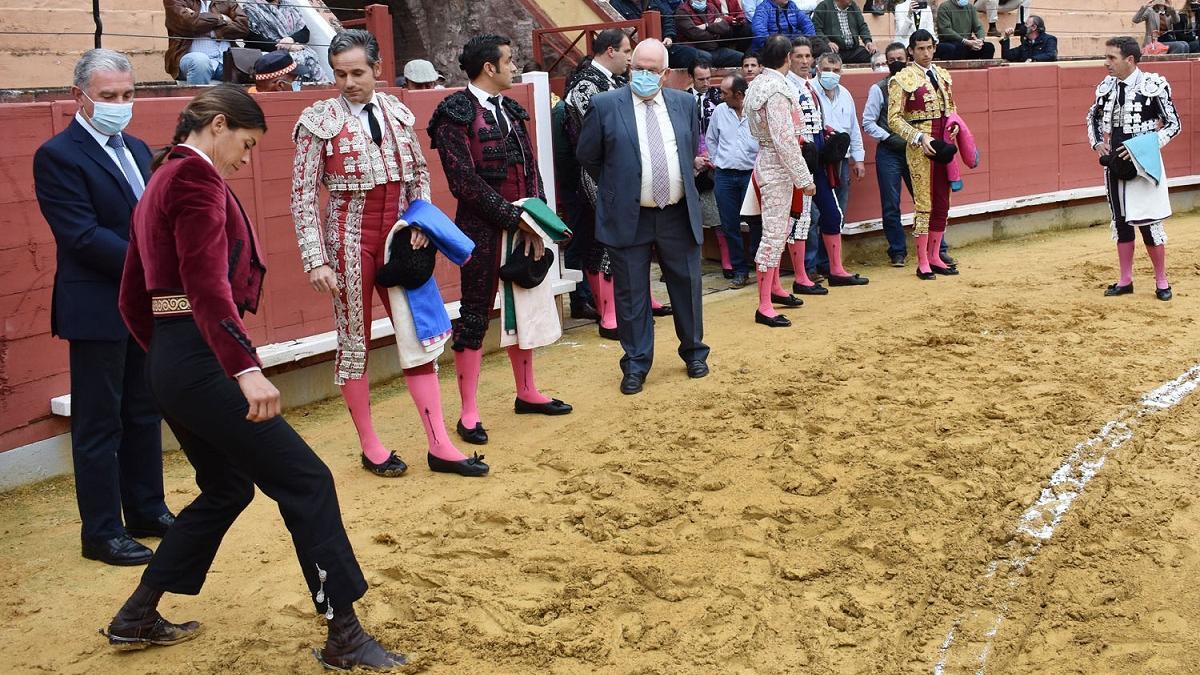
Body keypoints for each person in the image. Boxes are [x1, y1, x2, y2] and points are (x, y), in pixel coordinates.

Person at [107, 85, 404, 669]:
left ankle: (136, 613)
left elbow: (130, 297)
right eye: (244, 144)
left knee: (227, 487)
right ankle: (343, 635)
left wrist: (168, 360)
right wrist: (241, 367)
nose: (245, 160)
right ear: (218, 125)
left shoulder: (159, 176)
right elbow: (206, 287)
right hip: (203, 358)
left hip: (174, 359)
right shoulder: (193, 179)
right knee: (307, 481)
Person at [291, 30, 481, 477]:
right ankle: (370, 443)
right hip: (346, 239)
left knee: (417, 336)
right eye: (340, 74)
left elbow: (417, 173)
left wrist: (421, 222)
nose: (348, 82)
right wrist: (315, 258)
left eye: (357, 72)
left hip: (396, 237)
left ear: (377, 69)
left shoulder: (396, 110)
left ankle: (439, 444)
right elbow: (301, 196)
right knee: (354, 340)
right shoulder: (318, 120)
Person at [33, 49, 173, 567]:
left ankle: (147, 509)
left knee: (142, 409)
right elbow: (82, 236)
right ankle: (101, 531)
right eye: (108, 96)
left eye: (127, 95)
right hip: (96, 305)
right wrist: (155, 262)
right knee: (98, 421)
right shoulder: (59, 155)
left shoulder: (137, 149)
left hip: (138, 303)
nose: (120, 104)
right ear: (80, 97)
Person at [429, 34, 574, 441]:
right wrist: (514, 219)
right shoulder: (453, 113)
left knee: (525, 302)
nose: (515, 67)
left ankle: (527, 392)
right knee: (475, 313)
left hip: (523, 223)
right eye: (509, 61)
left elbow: (532, 171)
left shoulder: (511, 109)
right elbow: (463, 183)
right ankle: (469, 413)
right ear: (489, 68)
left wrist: (539, 219)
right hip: (480, 226)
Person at [577, 38, 711, 395]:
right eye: (639, 68)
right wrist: (619, 185)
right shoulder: (605, 104)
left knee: (687, 286)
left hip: (678, 213)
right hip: (629, 214)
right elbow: (588, 155)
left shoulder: (684, 104)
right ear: (630, 67)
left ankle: (695, 353)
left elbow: (687, 147)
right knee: (632, 293)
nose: (644, 75)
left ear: (665, 74)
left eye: (652, 71)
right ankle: (635, 364)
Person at [1088, 36, 1180, 301]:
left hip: (1143, 164)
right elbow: (1092, 117)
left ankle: (1162, 281)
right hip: (1114, 162)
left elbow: (1174, 124)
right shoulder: (1107, 86)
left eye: (1111, 58)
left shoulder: (1153, 85)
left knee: (1149, 222)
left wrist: (1144, 148)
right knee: (1121, 221)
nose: (1106, 63)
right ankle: (1125, 280)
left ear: (1129, 60)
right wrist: (1097, 143)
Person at [564, 28, 633, 340]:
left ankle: (611, 310)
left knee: (604, 238)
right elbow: (598, 137)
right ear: (610, 51)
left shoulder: (608, 81)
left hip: (614, 170)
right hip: (597, 172)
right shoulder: (585, 85)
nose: (629, 58)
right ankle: (608, 315)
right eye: (626, 51)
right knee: (604, 239)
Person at [744, 36, 816, 328]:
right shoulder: (775, 89)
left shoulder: (758, 84)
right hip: (778, 165)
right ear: (788, 57)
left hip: (767, 159)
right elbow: (785, 141)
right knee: (774, 234)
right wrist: (804, 178)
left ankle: (773, 288)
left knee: (781, 227)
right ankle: (764, 306)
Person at [888, 29, 961, 280]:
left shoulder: (942, 75)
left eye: (929, 48)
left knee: (942, 202)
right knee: (924, 204)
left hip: (943, 143)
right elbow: (894, 120)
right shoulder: (902, 78)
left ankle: (935, 256)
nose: (926, 53)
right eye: (920, 49)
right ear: (911, 50)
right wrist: (919, 137)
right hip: (921, 146)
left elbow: (951, 108)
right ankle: (922, 261)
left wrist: (954, 124)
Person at [707, 73, 761, 289]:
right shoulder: (720, 112)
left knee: (757, 222)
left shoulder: (756, 111)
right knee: (730, 225)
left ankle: (759, 264)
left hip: (750, 174)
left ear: (739, 95)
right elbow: (711, 139)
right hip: (725, 175)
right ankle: (740, 270)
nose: (720, 96)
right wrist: (718, 160)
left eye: (724, 93)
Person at [164, 0, 248, 84]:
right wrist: (222, 18)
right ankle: (198, 96)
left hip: (226, 63)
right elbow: (188, 23)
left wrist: (214, 32)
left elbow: (243, 27)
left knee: (258, 62)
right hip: (193, 61)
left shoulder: (226, 1)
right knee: (200, 61)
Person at [242, 0, 324, 83]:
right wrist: (287, 47)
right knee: (293, 60)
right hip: (269, 54)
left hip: (294, 47)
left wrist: (291, 39)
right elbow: (252, 39)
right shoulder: (251, 8)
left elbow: (305, 33)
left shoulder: (289, 6)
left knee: (308, 58)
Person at [610, 0, 703, 68]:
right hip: (639, 50)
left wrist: (669, 36)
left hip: (664, 45)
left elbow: (668, 17)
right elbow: (622, 30)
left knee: (694, 55)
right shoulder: (616, 3)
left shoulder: (653, 1)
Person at [677, 0, 746, 67]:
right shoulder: (682, 10)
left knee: (743, 58)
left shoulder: (711, 7)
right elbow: (694, 33)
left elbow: (725, 27)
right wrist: (715, 33)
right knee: (706, 57)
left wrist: (707, 26)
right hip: (695, 49)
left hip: (714, 48)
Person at [810, 0, 877, 64]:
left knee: (872, 54)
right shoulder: (824, 6)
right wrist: (828, 42)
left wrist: (868, 41)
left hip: (853, 50)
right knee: (828, 57)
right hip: (835, 50)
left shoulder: (853, 6)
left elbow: (862, 26)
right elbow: (816, 29)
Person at [750, 0, 816, 51]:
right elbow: (759, 32)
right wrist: (772, 48)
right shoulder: (763, 8)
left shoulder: (792, 5)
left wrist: (809, 42)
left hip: (793, 46)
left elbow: (807, 24)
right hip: (773, 49)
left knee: (819, 48)